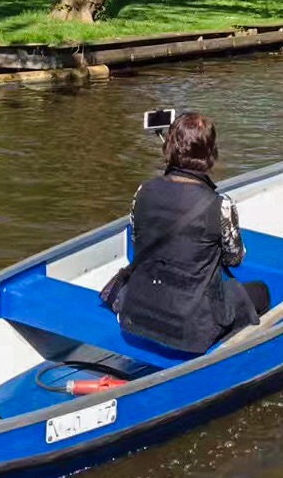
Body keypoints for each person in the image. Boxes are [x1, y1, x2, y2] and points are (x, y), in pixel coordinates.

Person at [103, 113, 269, 354]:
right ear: (211, 154)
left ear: (169, 148)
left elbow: (138, 242)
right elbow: (234, 259)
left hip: (137, 311)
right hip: (191, 327)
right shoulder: (220, 205)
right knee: (261, 292)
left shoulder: (142, 192)